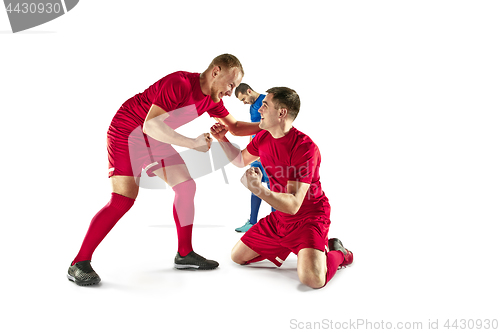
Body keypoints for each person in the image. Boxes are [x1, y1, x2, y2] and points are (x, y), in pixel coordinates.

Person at [67, 54, 261, 286]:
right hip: (127, 131)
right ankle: (79, 262)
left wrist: (267, 125)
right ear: (216, 71)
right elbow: (150, 124)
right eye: (231, 84)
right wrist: (192, 143)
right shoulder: (179, 83)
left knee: (186, 186)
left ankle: (185, 254)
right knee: (122, 200)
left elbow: (236, 127)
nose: (231, 92)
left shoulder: (212, 100)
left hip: (153, 136)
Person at [210, 87, 353, 289]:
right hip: (281, 218)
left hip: (309, 217)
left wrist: (258, 189)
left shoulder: (305, 147)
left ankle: (340, 253)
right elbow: (241, 160)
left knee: (312, 280)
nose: (259, 110)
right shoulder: (263, 138)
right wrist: (222, 140)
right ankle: (293, 247)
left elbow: (294, 204)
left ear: (281, 112)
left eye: (265, 106)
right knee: (237, 256)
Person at [233, 83, 275, 233]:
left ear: (249, 91)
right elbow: (254, 131)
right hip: (256, 151)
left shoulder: (267, 101)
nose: (244, 102)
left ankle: (276, 223)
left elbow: (273, 127)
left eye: (244, 98)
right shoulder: (252, 107)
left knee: (272, 187)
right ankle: (252, 222)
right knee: (254, 184)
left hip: (269, 152)